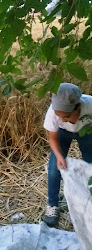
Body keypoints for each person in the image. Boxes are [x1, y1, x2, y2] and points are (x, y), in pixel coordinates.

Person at [43, 82, 92, 227]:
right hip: (62, 133)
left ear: (78, 107)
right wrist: (59, 156)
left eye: (67, 116)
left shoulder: (90, 105)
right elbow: (52, 138)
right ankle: (52, 205)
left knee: (90, 165)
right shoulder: (54, 113)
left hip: (86, 130)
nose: (63, 119)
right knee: (53, 170)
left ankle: (88, 202)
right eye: (60, 116)